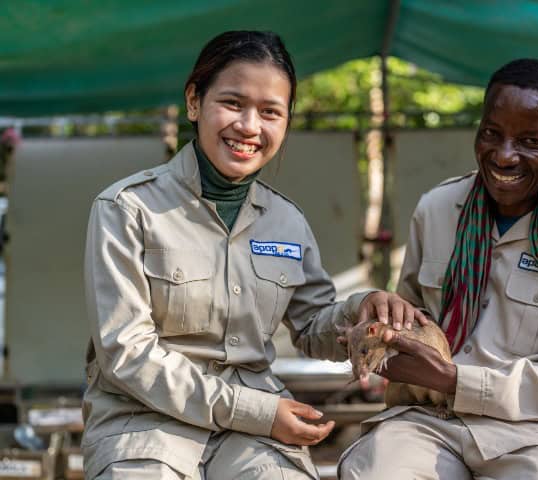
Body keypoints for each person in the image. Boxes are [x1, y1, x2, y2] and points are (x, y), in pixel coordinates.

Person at [82, 30, 423, 480]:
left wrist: (361, 311)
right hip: (143, 424)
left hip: (252, 440)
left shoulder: (286, 221)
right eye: (232, 103)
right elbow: (127, 353)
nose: (249, 126)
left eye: (270, 112)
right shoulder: (126, 209)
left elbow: (312, 326)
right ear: (193, 102)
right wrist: (256, 412)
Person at [339, 59, 538, 479]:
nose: (504, 155)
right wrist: (379, 333)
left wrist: (455, 380)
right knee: (373, 468)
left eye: (531, 141)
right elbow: (407, 318)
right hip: (431, 421)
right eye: (491, 134)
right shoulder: (438, 209)